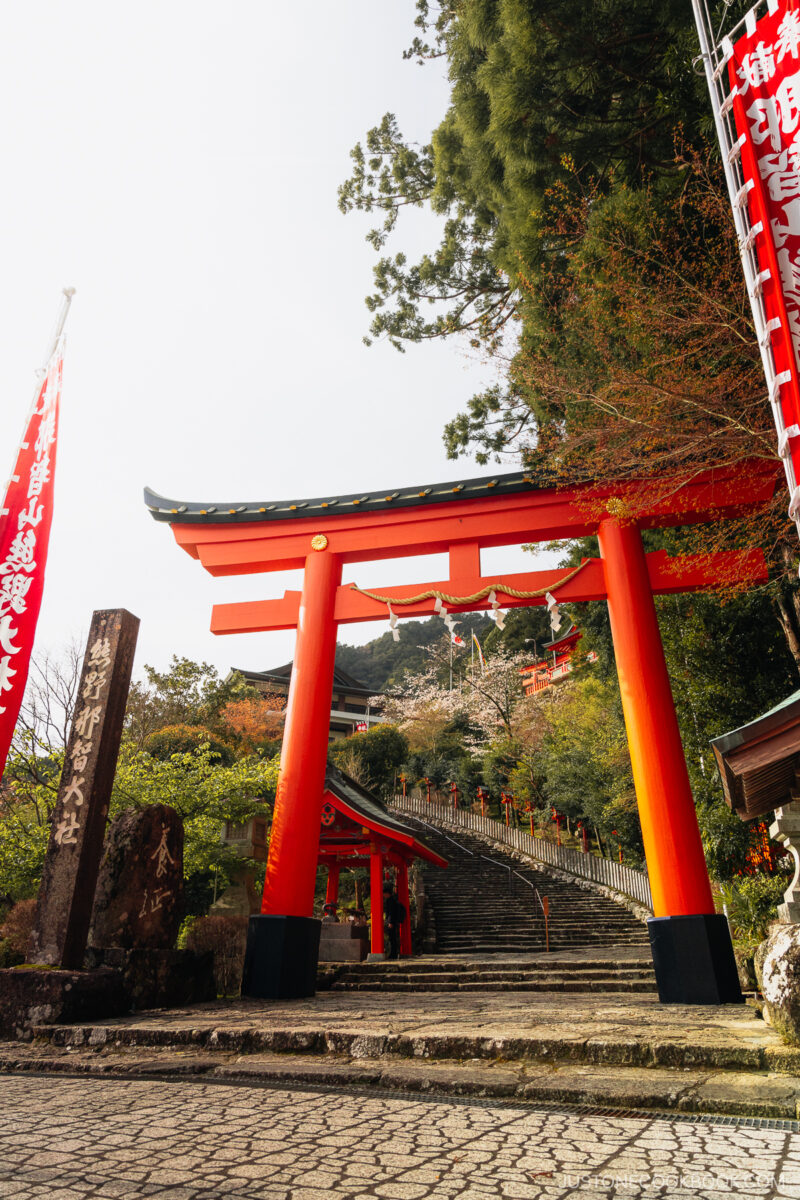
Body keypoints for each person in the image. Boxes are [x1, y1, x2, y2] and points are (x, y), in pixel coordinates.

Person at [384, 889, 406, 959]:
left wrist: (390, 922)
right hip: (394, 921)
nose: (383, 895)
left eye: (384, 893)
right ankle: (394, 953)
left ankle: (393, 954)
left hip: (392, 922)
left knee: (392, 938)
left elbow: (391, 912)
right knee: (393, 938)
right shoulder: (393, 900)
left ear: (387, 893)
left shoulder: (390, 901)